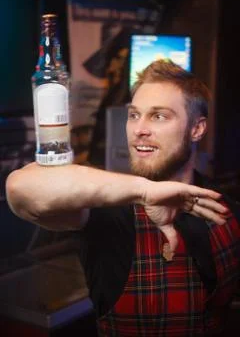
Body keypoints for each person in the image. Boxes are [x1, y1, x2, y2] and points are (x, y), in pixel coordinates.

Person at [6, 59, 240, 336]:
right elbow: (19, 189)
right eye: (133, 115)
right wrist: (145, 191)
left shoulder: (228, 209)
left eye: (159, 116)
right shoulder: (110, 211)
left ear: (197, 129)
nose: (139, 128)